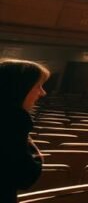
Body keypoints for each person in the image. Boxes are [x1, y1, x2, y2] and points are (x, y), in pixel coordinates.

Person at [0, 59, 49, 203]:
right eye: (38, 86)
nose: (42, 92)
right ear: (20, 88)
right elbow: (24, 177)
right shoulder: (14, 120)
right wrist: (37, 156)